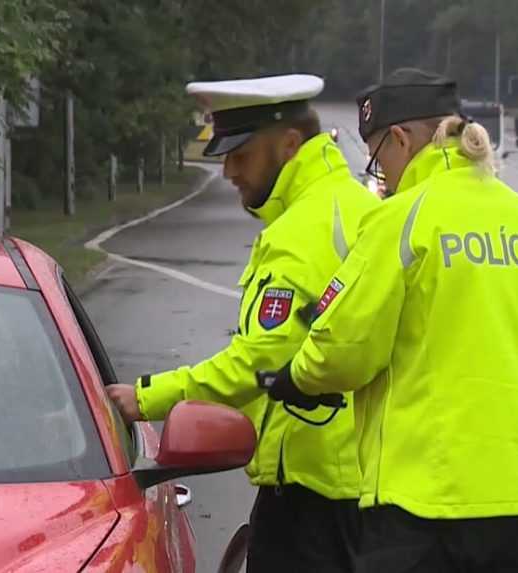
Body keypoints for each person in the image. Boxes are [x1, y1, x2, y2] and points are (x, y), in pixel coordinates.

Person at [262, 68, 518, 572]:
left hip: (428, 503)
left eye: (378, 155)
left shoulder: (402, 218)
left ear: (402, 138)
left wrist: (295, 378)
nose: (381, 173)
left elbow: (343, 350)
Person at [105, 74, 380, 572]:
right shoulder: (365, 209)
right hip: (374, 487)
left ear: (290, 145)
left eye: (241, 154)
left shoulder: (299, 231)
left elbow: (258, 361)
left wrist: (146, 398)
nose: (229, 171)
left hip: (312, 494)